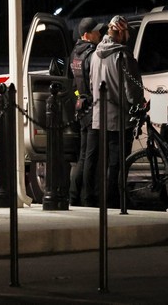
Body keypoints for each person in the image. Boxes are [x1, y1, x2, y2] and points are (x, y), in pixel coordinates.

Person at [90, 15, 144, 208]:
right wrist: (140, 105)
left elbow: (91, 85)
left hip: (99, 118)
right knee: (118, 163)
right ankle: (115, 200)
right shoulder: (123, 55)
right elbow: (132, 89)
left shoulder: (95, 55)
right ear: (120, 32)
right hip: (120, 119)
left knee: (101, 164)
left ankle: (101, 198)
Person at [69, 17, 105, 206]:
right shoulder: (92, 55)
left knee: (83, 156)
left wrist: (79, 97)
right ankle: (86, 198)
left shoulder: (75, 53)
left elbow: (73, 84)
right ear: (86, 34)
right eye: (96, 31)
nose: (99, 34)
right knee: (90, 157)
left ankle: (74, 196)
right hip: (93, 108)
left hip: (81, 108)